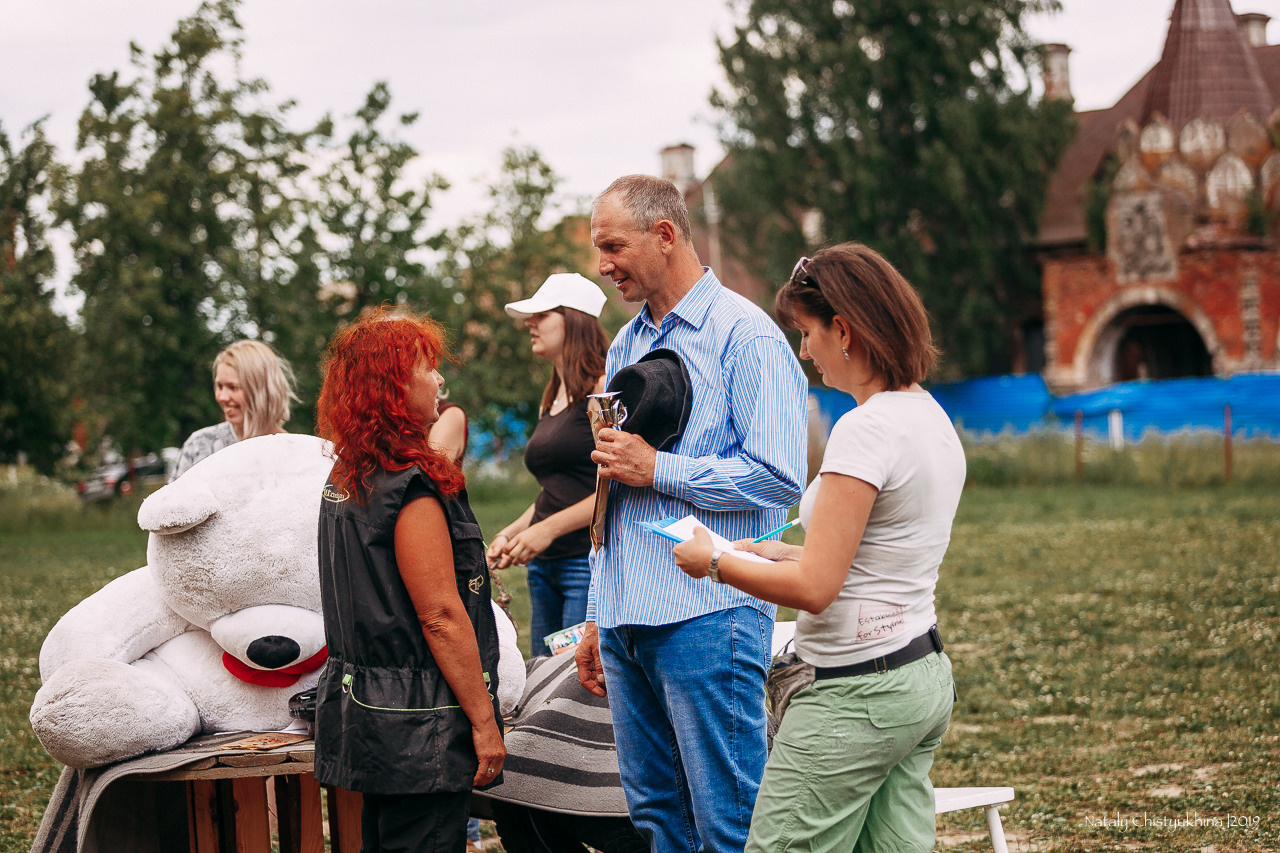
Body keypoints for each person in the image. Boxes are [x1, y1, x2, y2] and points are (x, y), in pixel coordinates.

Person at [672, 243, 964, 853]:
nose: (804, 351)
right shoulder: (927, 414)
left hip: (857, 693)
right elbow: (874, 554)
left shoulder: (864, 429)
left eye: (806, 332)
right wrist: (779, 554)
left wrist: (716, 563)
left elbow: (817, 590)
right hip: (920, 674)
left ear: (844, 329)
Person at [576, 175, 807, 852]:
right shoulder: (625, 346)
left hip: (710, 613)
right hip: (627, 620)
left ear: (665, 234)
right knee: (656, 824)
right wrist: (598, 610)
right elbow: (610, 490)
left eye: (613, 245)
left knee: (729, 822)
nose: (602, 264)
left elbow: (778, 472)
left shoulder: (746, 337)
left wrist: (662, 468)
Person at [313, 307, 505, 852]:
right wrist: (484, 723)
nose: (440, 377)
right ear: (393, 387)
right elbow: (440, 615)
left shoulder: (350, 473)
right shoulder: (408, 486)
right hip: (421, 724)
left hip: (372, 717)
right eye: (427, 367)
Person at [487, 273, 611, 656]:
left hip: (585, 565)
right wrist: (514, 531)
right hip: (545, 568)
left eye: (541, 314)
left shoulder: (602, 387)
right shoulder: (552, 395)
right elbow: (557, 489)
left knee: (577, 684)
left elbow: (618, 487)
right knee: (543, 676)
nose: (530, 323)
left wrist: (547, 530)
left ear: (572, 319)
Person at [170, 339, 297, 481]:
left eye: (233, 387)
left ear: (263, 390)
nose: (222, 397)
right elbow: (168, 502)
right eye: (219, 386)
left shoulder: (294, 453)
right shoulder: (198, 446)